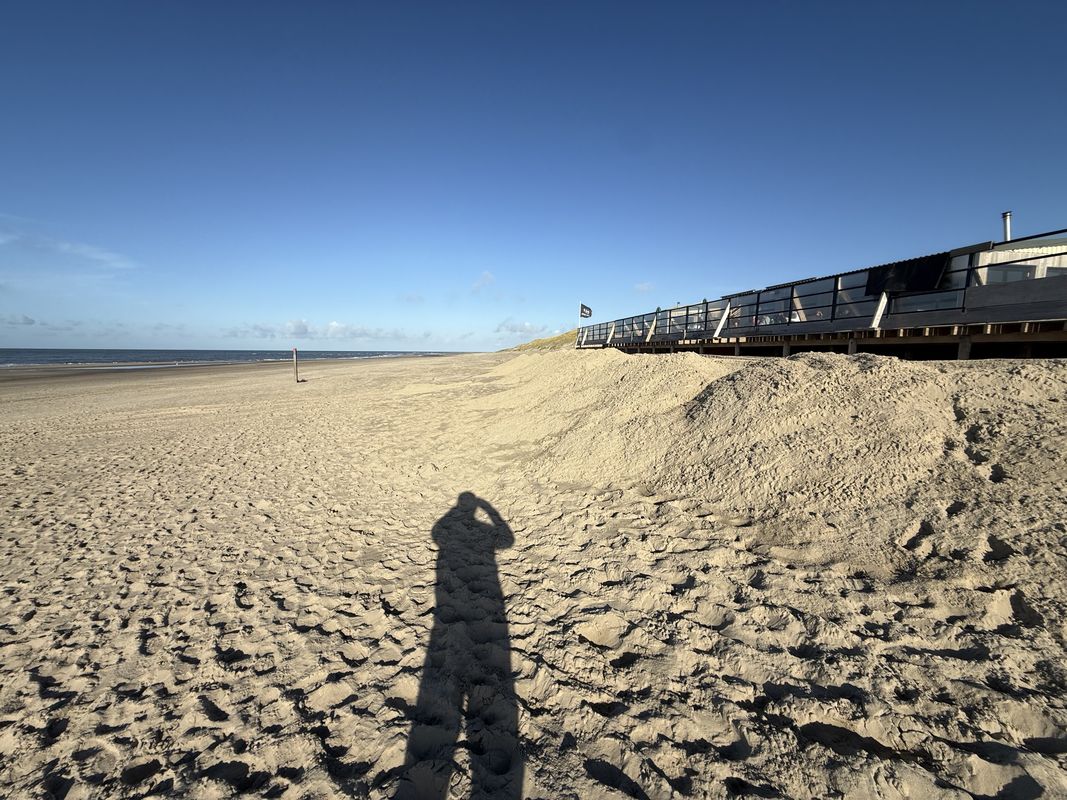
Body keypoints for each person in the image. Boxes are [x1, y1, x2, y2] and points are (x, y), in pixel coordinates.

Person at [395, 493, 522, 799]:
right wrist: (491, 510)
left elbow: (437, 535)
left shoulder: (445, 526)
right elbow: (507, 540)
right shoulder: (472, 528)